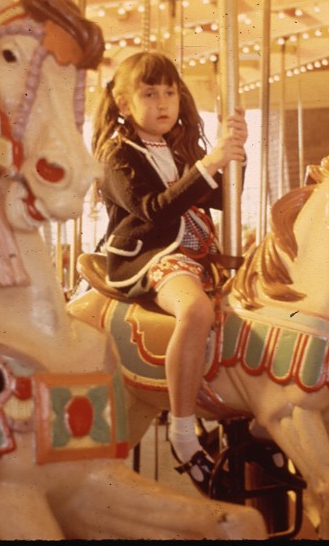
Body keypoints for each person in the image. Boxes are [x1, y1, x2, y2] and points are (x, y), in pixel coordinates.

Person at [91, 51, 247, 492]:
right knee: (196, 311)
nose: (163, 103)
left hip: (200, 250)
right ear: (125, 105)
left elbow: (222, 199)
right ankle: (181, 431)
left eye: (170, 92)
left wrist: (235, 152)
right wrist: (210, 163)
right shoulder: (117, 155)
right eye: (149, 94)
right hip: (150, 252)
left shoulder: (179, 149)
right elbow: (153, 210)